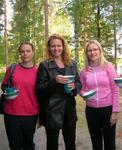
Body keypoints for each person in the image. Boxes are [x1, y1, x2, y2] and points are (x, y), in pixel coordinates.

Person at [35, 33, 81, 150]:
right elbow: (39, 89)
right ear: (49, 48)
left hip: (69, 110)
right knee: (52, 145)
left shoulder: (72, 64)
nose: (56, 48)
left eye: (59, 45)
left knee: (70, 143)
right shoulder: (44, 65)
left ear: (63, 46)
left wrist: (74, 86)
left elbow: (79, 83)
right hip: (52, 111)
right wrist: (54, 81)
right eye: (53, 46)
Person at [80, 40, 120, 150]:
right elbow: (81, 89)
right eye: (89, 50)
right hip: (91, 111)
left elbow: (115, 89)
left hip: (107, 110)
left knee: (110, 143)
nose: (92, 52)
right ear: (86, 53)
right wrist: (85, 95)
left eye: (95, 49)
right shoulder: (84, 71)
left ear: (100, 51)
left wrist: (115, 112)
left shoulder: (108, 66)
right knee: (96, 143)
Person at [1, 42, 39, 150]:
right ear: (20, 53)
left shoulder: (38, 71)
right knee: (14, 145)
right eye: (22, 51)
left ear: (33, 52)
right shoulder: (12, 68)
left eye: (28, 51)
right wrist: (7, 92)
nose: (25, 54)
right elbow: (4, 85)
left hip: (31, 114)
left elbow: (41, 93)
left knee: (28, 144)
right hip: (11, 113)